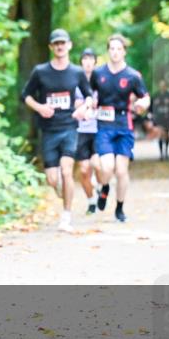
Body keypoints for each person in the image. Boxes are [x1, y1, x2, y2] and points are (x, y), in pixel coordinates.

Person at [21, 29, 93, 232]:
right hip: (49, 131)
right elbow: (26, 95)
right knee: (53, 179)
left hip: (69, 127)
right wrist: (40, 107)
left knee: (67, 171)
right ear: (51, 47)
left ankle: (66, 217)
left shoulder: (77, 72)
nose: (60, 47)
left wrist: (84, 108)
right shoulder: (40, 71)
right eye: (56, 44)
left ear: (69, 45)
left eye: (63, 43)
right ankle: (63, 194)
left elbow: (89, 96)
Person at [91, 33, 150, 222]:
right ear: (108, 51)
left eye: (119, 49)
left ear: (124, 52)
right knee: (106, 167)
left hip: (125, 126)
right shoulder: (98, 74)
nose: (115, 52)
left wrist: (142, 105)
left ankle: (119, 208)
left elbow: (145, 96)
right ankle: (105, 187)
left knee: (121, 171)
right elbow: (89, 94)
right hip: (104, 126)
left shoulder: (132, 76)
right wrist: (89, 103)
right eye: (112, 49)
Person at [74, 48, 100, 214]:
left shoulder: (101, 81)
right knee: (84, 170)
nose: (88, 62)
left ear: (95, 62)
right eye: (85, 59)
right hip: (80, 130)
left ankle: (100, 185)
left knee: (98, 165)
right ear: (81, 62)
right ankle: (91, 201)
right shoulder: (74, 82)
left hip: (98, 130)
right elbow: (73, 104)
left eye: (91, 59)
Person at [151, 80, 169, 161]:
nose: (162, 87)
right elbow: (151, 106)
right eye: (161, 85)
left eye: (164, 85)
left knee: (166, 134)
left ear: (166, 86)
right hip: (158, 118)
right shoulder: (156, 95)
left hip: (167, 118)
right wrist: (151, 114)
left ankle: (166, 151)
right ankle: (161, 154)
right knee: (160, 133)